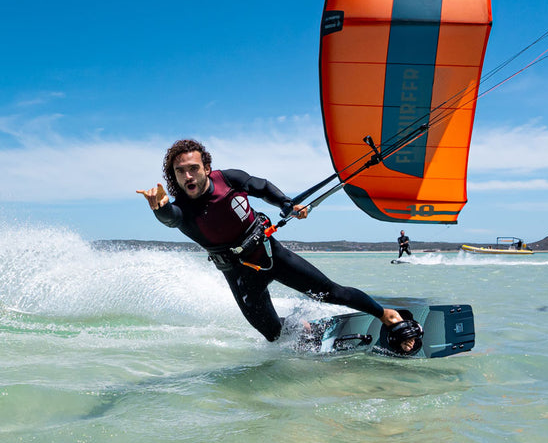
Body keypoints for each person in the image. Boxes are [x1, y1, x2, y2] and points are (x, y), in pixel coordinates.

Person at [137, 138, 422, 353]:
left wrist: (287, 204)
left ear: (206, 168)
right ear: (173, 176)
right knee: (273, 334)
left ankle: (386, 314)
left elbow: (259, 186)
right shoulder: (182, 210)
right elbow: (170, 219)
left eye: (193, 168)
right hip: (240, 276)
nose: (188, 176)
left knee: (330, 292)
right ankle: (303, 329)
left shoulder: (228, 179)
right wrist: (159, 207)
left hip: (272, 255)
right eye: (180, 171)